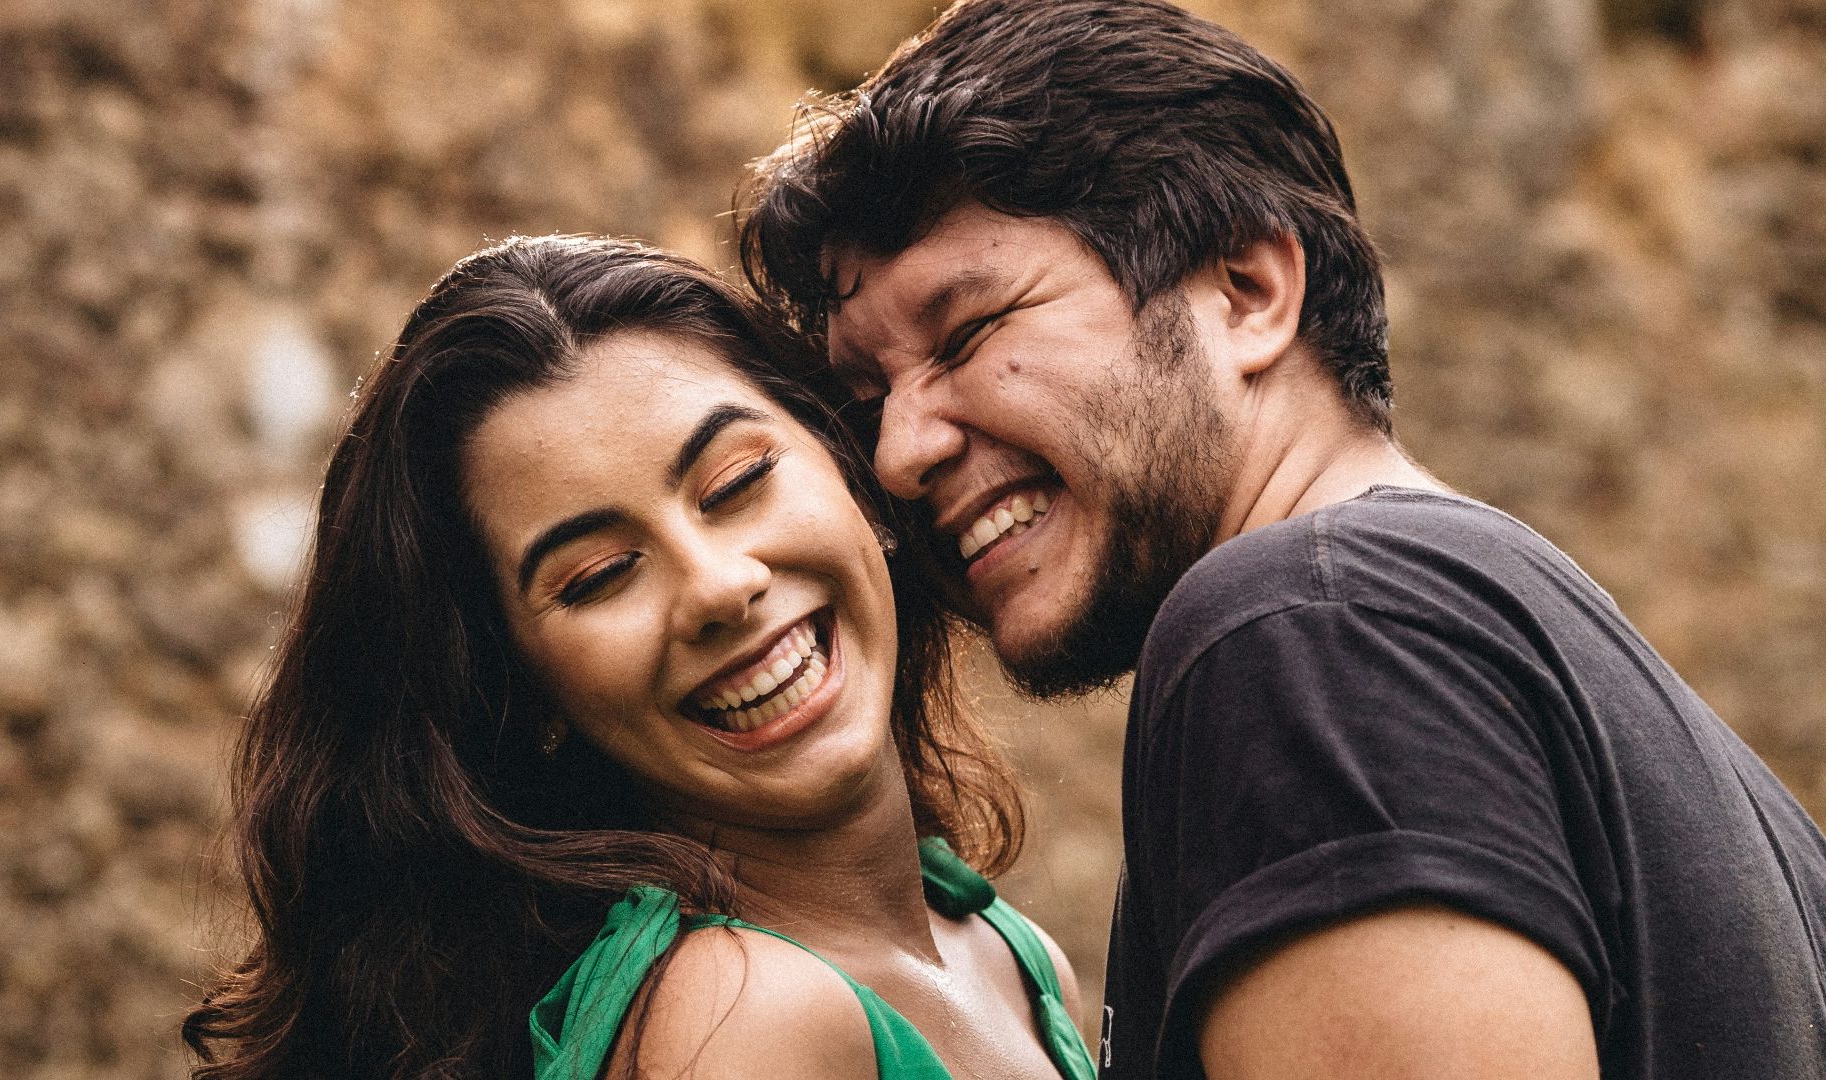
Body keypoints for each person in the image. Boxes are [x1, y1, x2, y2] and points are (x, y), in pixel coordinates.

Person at [738, 1, 1826, 1078]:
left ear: (1248, 292)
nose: (898, 453)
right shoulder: (1649, 733)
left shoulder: (1302, 636)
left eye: (967, 332)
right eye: (868, 394)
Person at [182, 234, 1099, 1080]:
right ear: (522, 688)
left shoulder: (1010, 954)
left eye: (736, 481)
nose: (715, 587)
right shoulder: (742, 1018)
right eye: (596, 577)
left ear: (852, 469)